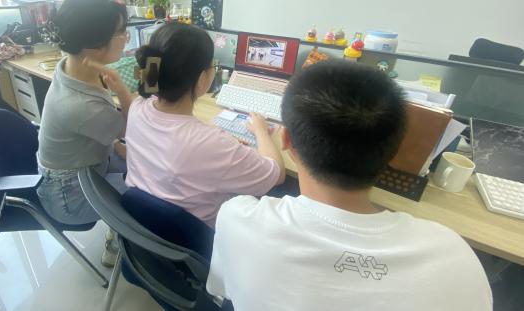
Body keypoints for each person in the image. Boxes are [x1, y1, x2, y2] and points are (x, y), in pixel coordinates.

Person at [207, 61, 492, 310]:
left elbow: (221, 290)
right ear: (393, 151)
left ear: (286, 140)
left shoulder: (237, 218)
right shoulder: (455, 259)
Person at [124, 22, 285, 228]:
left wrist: (214, 140)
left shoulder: (137, 106)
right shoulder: (210, 143)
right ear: (202, 79)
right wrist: (261, 131)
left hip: (142, 224)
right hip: (193, 238)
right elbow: (276, 175)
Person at [36, 0, 133, 263]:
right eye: (121, 32)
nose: (126, 37)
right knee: (151, 192)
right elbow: (131, 129)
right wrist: (123, 92)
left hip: (84, 164)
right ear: (94, 48)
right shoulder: (80, 106)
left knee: (141, 162)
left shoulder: (72, 65)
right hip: (69, 197)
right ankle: (117, 245)